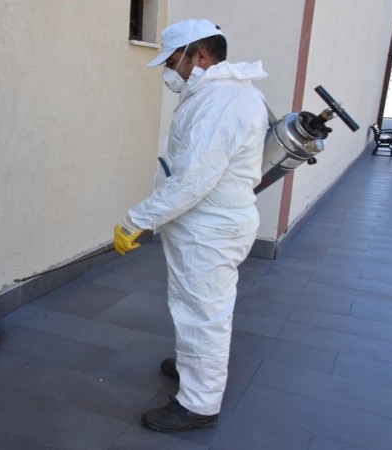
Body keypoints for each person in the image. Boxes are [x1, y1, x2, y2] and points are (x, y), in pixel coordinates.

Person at [113, 18, 269, 433]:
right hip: (208, 224)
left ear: (200, 56)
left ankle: (199, 404)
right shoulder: (224, 92)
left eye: (173, 62)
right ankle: (192, 367)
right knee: (193, 307)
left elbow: (192, 179)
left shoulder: (221, 101)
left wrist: (135, 220)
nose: (170, 72)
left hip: (210, 229)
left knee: (203, 314)